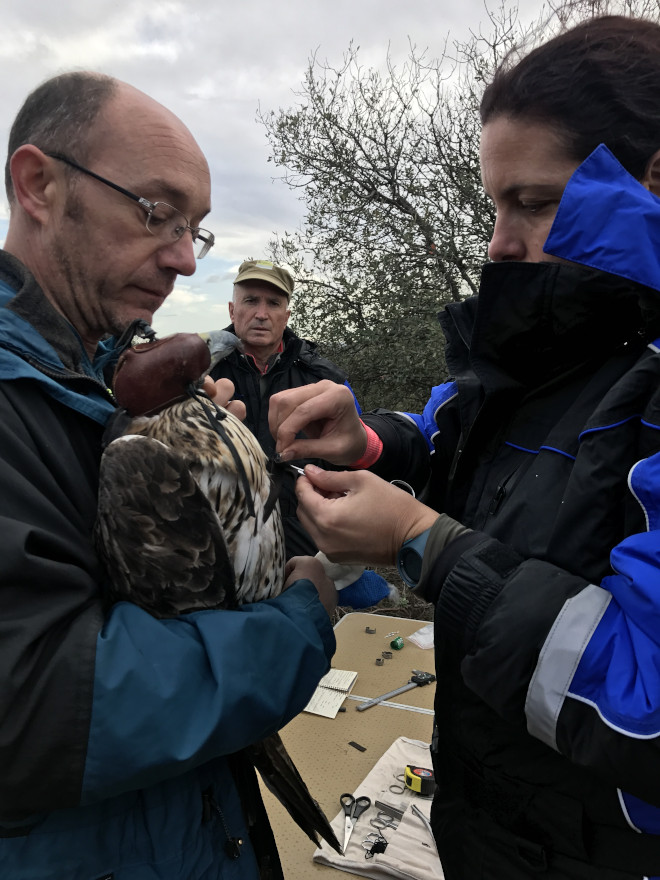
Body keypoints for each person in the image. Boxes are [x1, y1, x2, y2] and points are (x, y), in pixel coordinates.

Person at [268, 15, 660, 879]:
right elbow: (477, 431)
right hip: (497, 835)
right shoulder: (570, 344)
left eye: (534, 202)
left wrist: (426, 544)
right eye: (493, 205)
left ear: (653, 179)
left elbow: (646, 707)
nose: (500, 245)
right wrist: (375, 440)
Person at [0, 72, 337, 878]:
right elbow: (33, 713)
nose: (185, 259)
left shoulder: (102, 383)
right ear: (38, 185)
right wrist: (296, 621)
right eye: (156, 213)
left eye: (198, 230)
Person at [208, 258, 392, 607]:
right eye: (250, 301)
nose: (261, 313)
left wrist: (341, 558)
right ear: (233, 309)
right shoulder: (204, 373)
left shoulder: (325, 379)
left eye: (273, 303)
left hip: (302, 545)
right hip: (222, 541)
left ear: (286, 316)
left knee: (304, 644)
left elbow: (350, 460)